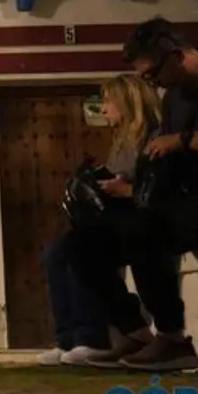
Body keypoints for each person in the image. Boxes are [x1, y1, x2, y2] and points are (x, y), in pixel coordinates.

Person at [68, 17, 198, 372]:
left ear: (177, 55)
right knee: (84, 243)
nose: (152, 82)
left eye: (152, 73)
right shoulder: (175, 97)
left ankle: (174, 340)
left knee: (146, 226)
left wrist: (184, 140)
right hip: (181, 200)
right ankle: (136, 333)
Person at [37, 74, 157, 366]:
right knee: (55, 254)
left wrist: (124, 189)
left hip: (144, 221)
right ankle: (69, 339)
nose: (103, 109)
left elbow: (160, 187)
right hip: (116, 218)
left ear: (128, 102)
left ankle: (93, 338)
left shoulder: (154, 136)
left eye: (108, 101)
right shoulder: (122, 139)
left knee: (81, 249)